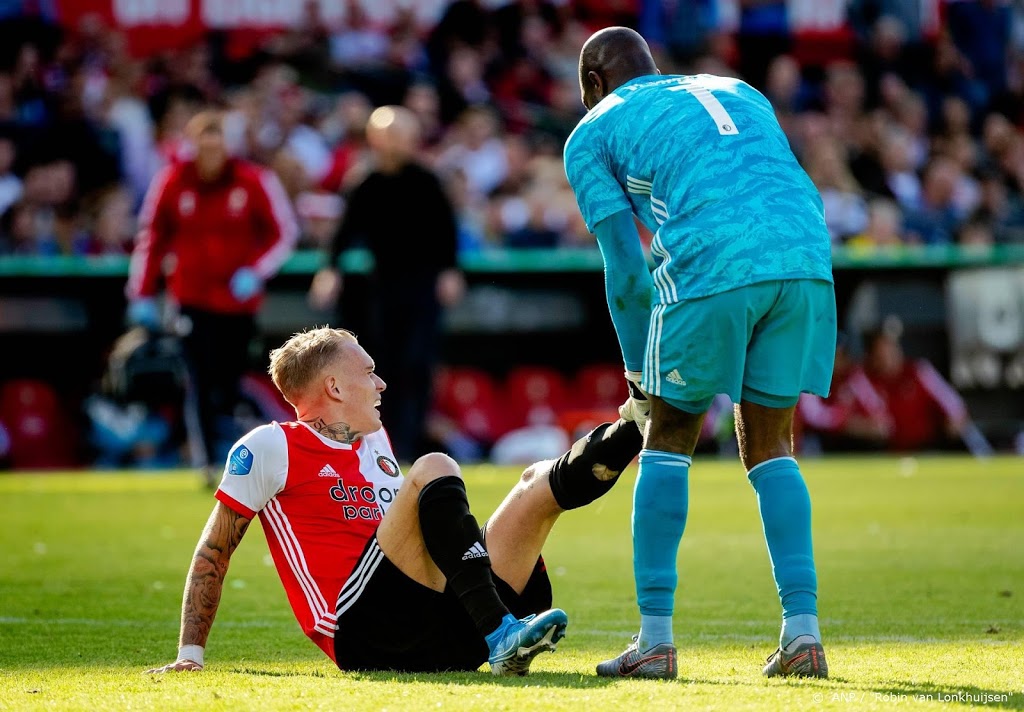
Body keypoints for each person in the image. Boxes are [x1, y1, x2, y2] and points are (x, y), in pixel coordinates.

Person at [563, 27, 837, 679]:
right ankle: (803, 634)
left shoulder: (594, 128)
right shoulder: (736, 87)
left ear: (594, 85)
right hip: (806, 257)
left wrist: (637, 374)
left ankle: (654, 640)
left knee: (668, 434)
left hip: (713, 260)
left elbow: (626, 269)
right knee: (773, 441)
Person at [145, 327, 645, 675]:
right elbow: (215, 548)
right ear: (335, 386)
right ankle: (501, 633)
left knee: (537, 483)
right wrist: (191, 651)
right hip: (362, 630)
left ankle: (639, 422)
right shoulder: (270, 446)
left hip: (435, 625)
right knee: (434, 466)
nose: (381, 383)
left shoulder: (376, 442)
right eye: (368, 372)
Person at [126, 110, 298, 485]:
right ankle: (205, 462)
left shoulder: (253, 180)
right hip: (191, 298)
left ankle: (240, 458)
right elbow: (151, 237)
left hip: (238, 303)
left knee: (231, 380)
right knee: (199, 377)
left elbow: (282, 234)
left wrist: (256, 270)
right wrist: (141, 292)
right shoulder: (172, 181)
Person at [309, 105, 465, 463]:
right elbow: (344, 232)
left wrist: (449, 271)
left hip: (423, 286)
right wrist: (329, 270)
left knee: (418, 364)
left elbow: (445, 232)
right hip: (382, 288)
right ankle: (382, 446)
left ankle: (411, 445)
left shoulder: (426, 181)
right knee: (382, 368)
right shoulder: (365, 181)